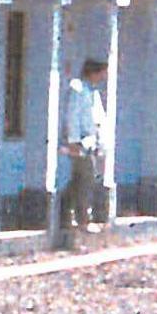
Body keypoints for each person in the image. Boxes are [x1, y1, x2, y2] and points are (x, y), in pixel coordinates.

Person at [59, 59, 108, 242]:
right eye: (102, 72)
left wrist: (100, 143)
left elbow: (96, 119)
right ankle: (82, 219)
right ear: (93, 72)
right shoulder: (78, 89)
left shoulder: (92, 92)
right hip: (80, 144)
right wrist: (74, 141)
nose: (104, 77)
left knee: (81, 180)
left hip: (89, 144)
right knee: (85, 179)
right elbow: (73, 116)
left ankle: (69, 215)